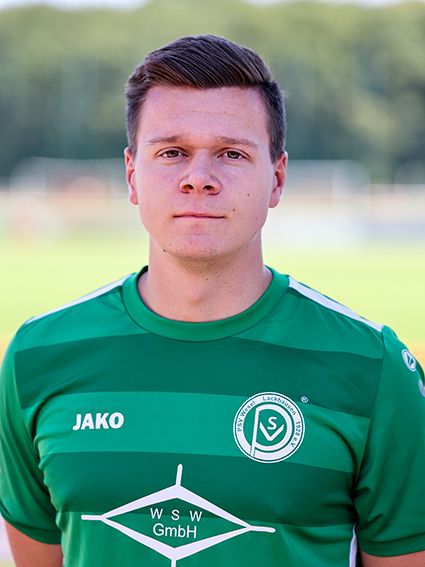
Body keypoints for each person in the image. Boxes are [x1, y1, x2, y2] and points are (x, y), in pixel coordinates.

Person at [1, 34, 424, 567]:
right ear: (132, 175)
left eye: (231, 154)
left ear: (277, 178)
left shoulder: (374, 366)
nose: (199, 179)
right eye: (172, 152)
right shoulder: (37, 357)